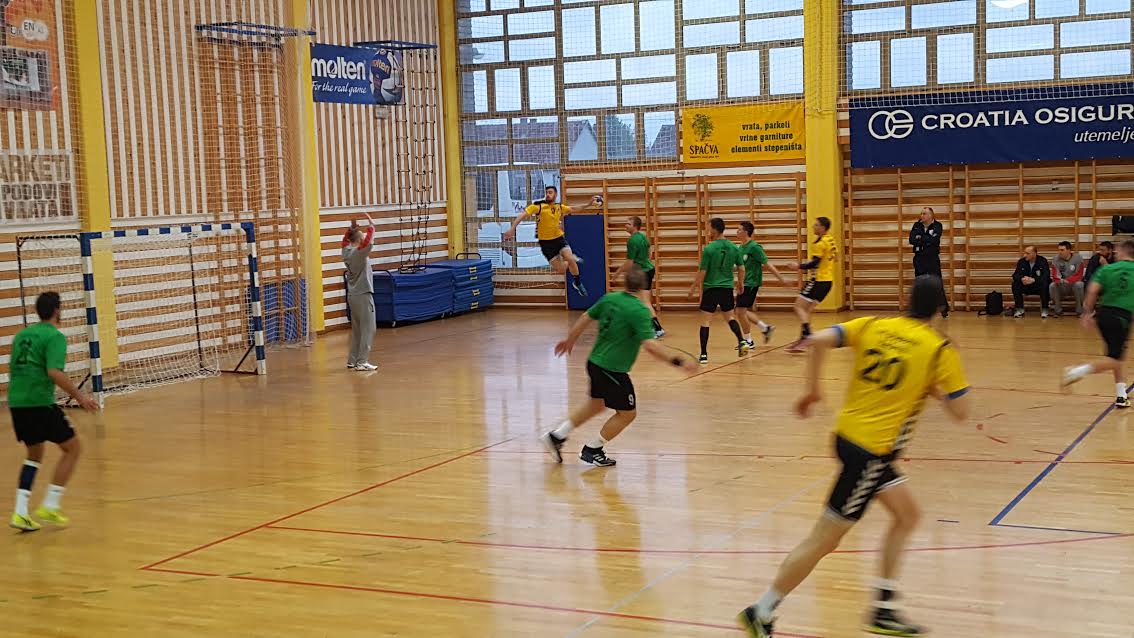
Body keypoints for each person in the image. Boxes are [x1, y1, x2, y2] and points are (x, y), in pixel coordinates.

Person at [736, 276, 971, 638]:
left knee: (907, 515)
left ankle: (884, 609)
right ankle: (762, 610)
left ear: (907, 300)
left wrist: (813, 392)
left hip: (848, 438)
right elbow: (961, 412)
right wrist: (935, 388)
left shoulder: (874, 325)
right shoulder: (939, 349)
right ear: (941, 308)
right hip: (871, 454)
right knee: (825, 539)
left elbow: (816, 340)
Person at [540, 265, 698, 467]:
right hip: (612, 370)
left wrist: (570, 340)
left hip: (595, 363)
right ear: (644, 286)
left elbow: (586, 316)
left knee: (596, 405)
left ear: (625, 283)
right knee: (627, 414)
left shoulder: (610, 299)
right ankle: (593, 449)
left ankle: (556, 436)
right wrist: (678, 361)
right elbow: (650, 345)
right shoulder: (640, 311)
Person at [9, 292, 100, 532]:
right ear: (57, 310)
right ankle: (50, 504)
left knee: (34, 454)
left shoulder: (22, 335)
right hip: (39, 402)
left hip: (17, 402)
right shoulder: (54, 336)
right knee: (73, 448)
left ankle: (20, 512)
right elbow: (54, 372)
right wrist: (81, 397)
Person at [1061, 239, 1134, 409]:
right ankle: (1076, 371)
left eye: (1117, 251)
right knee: (1115, 359)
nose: (1115, 254)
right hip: (1122, 317)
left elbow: (1092, 290)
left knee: (1116, 355)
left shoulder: (1107, 269)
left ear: (1124, 252)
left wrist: (1087, 312)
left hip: (1104, 315)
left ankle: (1121, 395)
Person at [503, 185, 602, 297]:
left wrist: (588, 204)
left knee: (569, 258)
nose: (548, 194)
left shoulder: (559, 207)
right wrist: (512, 229)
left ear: (555, 194)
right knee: (561, 269)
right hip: (546, 244)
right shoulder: (539, 206)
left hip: (559, 239)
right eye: (547, 193)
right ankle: (571, 259)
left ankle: (577, 283)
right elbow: (522, 216)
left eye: (550, 192)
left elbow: (573, 209)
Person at [688, 217, 749, 364]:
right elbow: (741, 268)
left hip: (711, 288)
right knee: (730, 318)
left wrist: (693, 287)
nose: (707, 230)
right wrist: (740, 283)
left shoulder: (709, 248)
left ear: (714, 229)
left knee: (705, 321)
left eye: (709, 227)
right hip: (726, 288)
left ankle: (703, 355)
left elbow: (703, 271)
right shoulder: (734, 247)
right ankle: (742, 341)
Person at [784, 217, 838, 353]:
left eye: (816, 225)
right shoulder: (830, 240)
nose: (813, 226)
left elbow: (814, 263)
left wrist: (798, 266)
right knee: (806, 311)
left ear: (823, 228)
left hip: (818, 281)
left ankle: (808, 336)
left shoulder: (820, 244)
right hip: (828, 282)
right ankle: (802, 340)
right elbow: (835, 257)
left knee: (798, 307)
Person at [735, 221, 787, 347]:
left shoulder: (754, 247)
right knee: (741, 311)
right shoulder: (740, 247)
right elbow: (741, 266)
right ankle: (765, 328)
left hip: (751, 283)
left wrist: (780, 278)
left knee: (740, 311)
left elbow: (766, 263)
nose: (737, 232)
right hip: (743, 282)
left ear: (746, 232)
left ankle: (748, 341)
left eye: (739, 229)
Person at [614, 216, 664, 338]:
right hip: (649, 269)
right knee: (641, 300)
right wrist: (645, 261)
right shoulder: (642, 236)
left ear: (635, 226)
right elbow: (650, 251)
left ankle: (656, 329)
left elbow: (629, 262)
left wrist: (617, 273)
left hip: (643, 272)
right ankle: (644, 327)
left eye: (628, 224)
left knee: (645, 301)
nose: (625, 225)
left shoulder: (632, 241)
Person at [343, 213, 377, 371]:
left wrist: (350, 229)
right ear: (359, 240)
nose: (364, 236)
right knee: (369, 328)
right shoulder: (359, 253)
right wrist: (371, 226)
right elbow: (368, 242)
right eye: (362, 235)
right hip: (363, 294)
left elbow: (345, 241)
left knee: (357, 330)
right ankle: (362, 361)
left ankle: (353, 359)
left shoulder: (347, 252)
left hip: (352, 295)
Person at [908, 207, 949, 317]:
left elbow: (934, 240)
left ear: (931, 215)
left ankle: (944, 308)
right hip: (919, 258)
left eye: (925, 213)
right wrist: (925, 239)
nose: (922, 215)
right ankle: (919, 309)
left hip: (932, 258)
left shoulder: (937, 225)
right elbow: (911, 240)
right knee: (919, 283)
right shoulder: (917, 225)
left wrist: (920, 238)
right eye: (921, 213)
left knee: (937, 282)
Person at [1011, 246, 1051, 318]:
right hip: (1026, 285)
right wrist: (1022, 279)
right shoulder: (1021, 262)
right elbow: (1015, 275)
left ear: (1034, 253)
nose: (1025, 255)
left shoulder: (1042, 261)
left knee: (1046, 283)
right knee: (1015, 284)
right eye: (1024, 253)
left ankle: (1045, 309)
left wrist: (1034, 280)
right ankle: (1020, 309)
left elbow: (1046, 276)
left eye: (1027, 253)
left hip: (1037, 286)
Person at [1049, 240, 1086, 317]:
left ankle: (1080, 311)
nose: (1060, 252)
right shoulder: (1056, 259)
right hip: (1062, 285)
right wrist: (1060, 280)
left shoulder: (1078, 258)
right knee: (1052, 285)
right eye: (1059, 250)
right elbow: (1055, 274)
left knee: (1079, 284)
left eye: (1062, 250)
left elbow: (1079, 274)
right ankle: (1058, 310)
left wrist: (1068, 280)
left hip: (1073, 285)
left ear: (1069, 250)